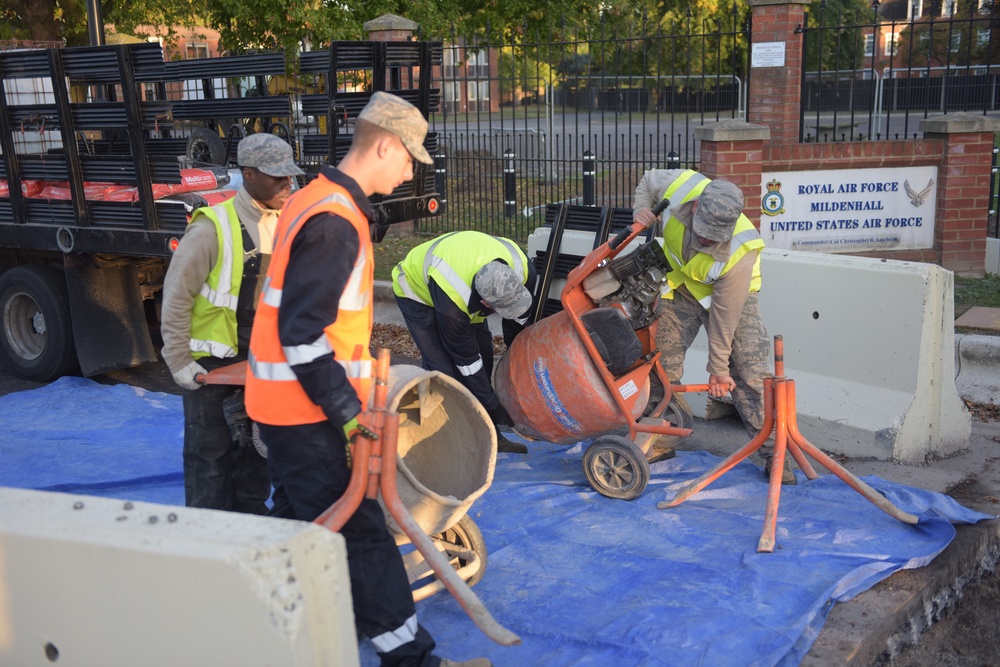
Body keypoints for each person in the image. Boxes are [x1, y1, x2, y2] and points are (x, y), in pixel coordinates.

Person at [244, 92, 491, 667]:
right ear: (384, 145)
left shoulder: (320, 202)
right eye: (409, 159)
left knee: (302, 527)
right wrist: (349, 414)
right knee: (361, 535)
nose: (412, 171)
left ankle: (255, 621)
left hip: (290, 406)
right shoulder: (334, 221)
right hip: (303, 411)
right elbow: (301, 334)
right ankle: (410, 660)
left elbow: (311, 323)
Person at [161, 132, 304, 513]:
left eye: (290, 176)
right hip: (209, 367)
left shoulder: (285, 224)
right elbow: (177, 295)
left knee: (256, 454)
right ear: (249, 175)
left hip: (258, 363)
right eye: (278, 177)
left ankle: (249, 528)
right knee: (210, 459)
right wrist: (177, 360)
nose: (287, 184)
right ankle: (207, 543)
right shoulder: (212, 227)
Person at [632, 168, 795, 484]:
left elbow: (724, 316)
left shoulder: (740, 250)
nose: (706, 240)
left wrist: (718, 369)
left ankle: (776, 457)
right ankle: (660, 440)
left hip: (734, 299)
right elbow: (647, 181)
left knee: (750, 373)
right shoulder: (681, 187)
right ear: (694, 207)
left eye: (713, 236)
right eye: (703, 231)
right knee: (658, 364)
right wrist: (642, 208)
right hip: (681, 287)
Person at [391, 230, 535, 454]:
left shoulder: (522, 268)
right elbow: (466, 360)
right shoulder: (454, 301)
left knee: (485, 355)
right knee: (444, 371)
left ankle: (489, 435)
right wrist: (494, 405)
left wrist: (515, 360)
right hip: (416, 292)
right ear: (485, 302)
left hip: (462, 284)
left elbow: (519, 320)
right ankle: (431, 435)